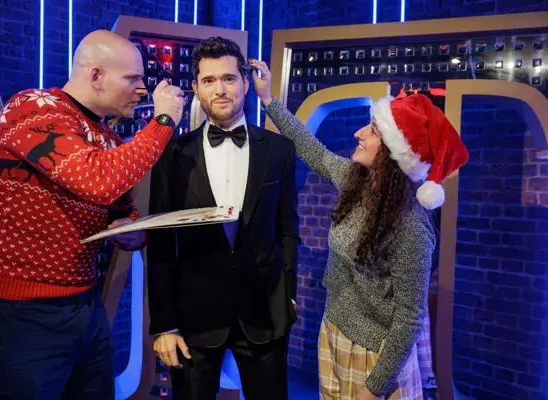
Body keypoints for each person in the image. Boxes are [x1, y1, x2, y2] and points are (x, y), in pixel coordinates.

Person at [0, 30, 184, 399]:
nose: (143, 89)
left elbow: (120, 207)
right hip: (21, 311)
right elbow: (97, 180)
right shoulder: (33, 107)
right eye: (132, 78)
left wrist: (134, 231)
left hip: (84, 305)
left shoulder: (107, 137)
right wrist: (162, 122)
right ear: (96, 76)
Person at [250, 59, 468, 399]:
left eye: (373, 130)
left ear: (396, 153)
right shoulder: (356, 181)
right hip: (334, 332)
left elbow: (409, 319)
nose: (359, 133)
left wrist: (374, 387)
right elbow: (312, 150)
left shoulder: (410, 226)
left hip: (375, 356)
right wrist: (267, 99)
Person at [146, 36, 299, 400]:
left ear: (245, 82)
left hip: (265, 314)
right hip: (193, 319)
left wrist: (288, 297)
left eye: (229, 78)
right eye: (209, 80)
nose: (220, 89)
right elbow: (160, 242)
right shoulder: (172, 153)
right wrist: (164, 324)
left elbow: (288, 229)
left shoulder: (279, 149)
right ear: (196, 88)